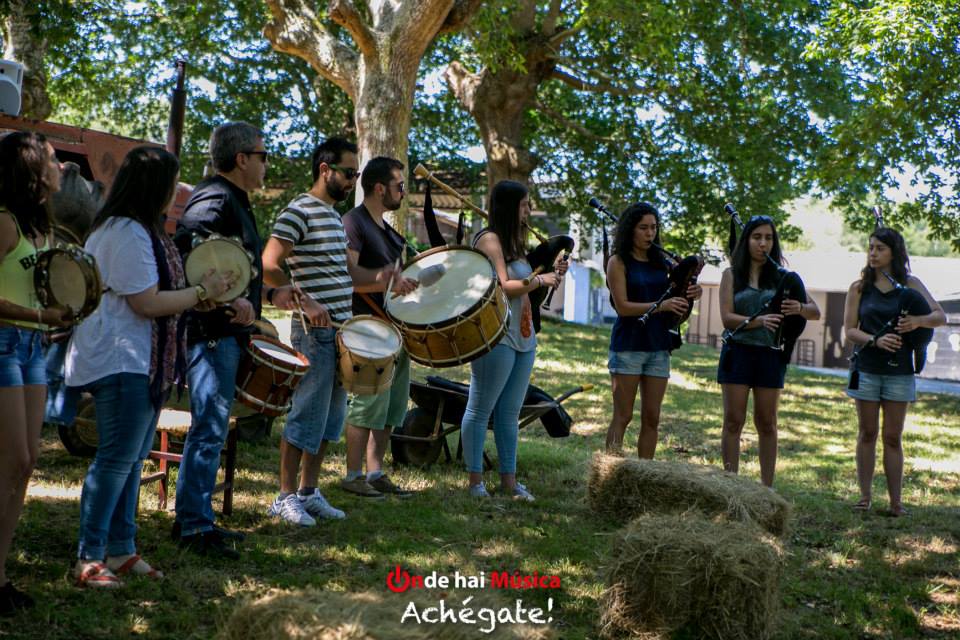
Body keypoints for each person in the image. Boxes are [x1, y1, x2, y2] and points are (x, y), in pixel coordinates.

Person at [65, 147, 233, 587]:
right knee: (116, 461)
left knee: (131, 460)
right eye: (172, 185)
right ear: (153, 187)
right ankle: (89, 557)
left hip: (140, 360)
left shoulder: (136, 229)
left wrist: (203, 292)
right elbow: (146, 303)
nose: (176, 195)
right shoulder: (125, 232)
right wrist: (201, 292)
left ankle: (120, 550)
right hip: (123, 358)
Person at [262, 139, 413, 525]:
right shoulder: (299, 211)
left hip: (342, 332)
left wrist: (382, 277)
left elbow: (347, 275)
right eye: (349, 173)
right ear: (325, 169)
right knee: (305, 415)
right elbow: (269, 264)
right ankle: (284, 496)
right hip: (313, 332)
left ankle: (310, 492)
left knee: (329, 420)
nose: (353, 181)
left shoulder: (332, 216)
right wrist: (304, 302)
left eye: (357, 174)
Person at [173, 122, 298, 557]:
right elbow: (190, 251)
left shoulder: (231, 199)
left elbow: (234, 267)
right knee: (207, 428)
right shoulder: (214, 197)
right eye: (263, 156)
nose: (267, 164)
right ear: (242, 158)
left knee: (211, 429)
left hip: (224, 334)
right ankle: (193, 528)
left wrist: (266, 294)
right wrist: (227, 305)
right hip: (211, 334)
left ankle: (195, 520)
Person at [0, 132, 71, 615]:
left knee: (25, 465)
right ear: (30, 168)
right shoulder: (4, 223)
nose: (60, 163)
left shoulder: (42, 229)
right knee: (12, 459)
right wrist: (42, 317)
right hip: (5, 343)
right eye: (51, 157)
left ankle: (0, 574)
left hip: (30, 347)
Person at [460, 180, 567, 501]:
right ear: (509, 208)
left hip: (523, 336)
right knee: (480, 409)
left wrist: (551, 273)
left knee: (509, 412)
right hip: (495, 335)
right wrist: (539, 279)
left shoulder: (516, 244)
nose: (529, 210)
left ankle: (509, 481)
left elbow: (527, 287)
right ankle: (475, 482)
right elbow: (505, 285)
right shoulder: (489, 239)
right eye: (524, 205)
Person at [843, 227, 944, 516]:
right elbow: (850, 330)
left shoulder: (910, 284)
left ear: (894, 253)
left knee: (892, 436)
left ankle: (896, 502)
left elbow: (939, 316)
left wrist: (917, 321)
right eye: (870, 247)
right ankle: (864, 496)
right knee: (867, 432)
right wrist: (875, 339)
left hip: (900, 371)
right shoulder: (859, 287)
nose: (873, 253)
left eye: (880, 249)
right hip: (866, 368)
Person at [717, 215, 820, 487]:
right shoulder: (731, 275)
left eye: (768, 238)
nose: (763, 243)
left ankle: (767, 487)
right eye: (757, 237)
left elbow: (815, 312)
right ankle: (730, 484)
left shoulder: (784, 278)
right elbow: (727, 318)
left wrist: (798, 308)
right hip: (738, 353)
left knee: (767, 423)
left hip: (770, 355)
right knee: (733, 421)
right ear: (746, 240)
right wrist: (758, 321)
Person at [341, 156, 418, 499]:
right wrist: (385, 281)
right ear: (378, 188)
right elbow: (348, 278)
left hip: (395, 331)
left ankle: (375, 472)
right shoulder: (353, 223)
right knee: (367, 405)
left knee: (391, 407)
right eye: (399, 186)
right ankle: (353, 475)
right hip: (366, 329)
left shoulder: (390, 233)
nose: (403, 192)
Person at [604, 203, 702, 458]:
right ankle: (609, 473)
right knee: (623, 416)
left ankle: (645, 473)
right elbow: (623, 307)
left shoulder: (663, 263)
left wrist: (691, 290)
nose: (650, 234)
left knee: (652, 418)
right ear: (630, 230)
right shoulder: (618, 262)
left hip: (658, 345)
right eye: (643, 228)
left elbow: (679, 299)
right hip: (629, 345)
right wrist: (661, 306)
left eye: (654, 228)